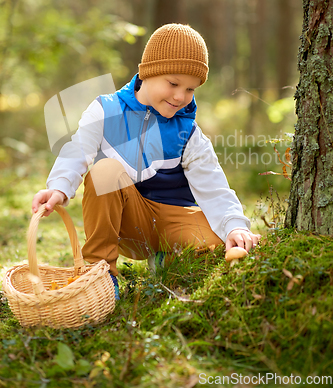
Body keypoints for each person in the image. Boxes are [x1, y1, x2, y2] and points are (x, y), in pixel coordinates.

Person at [32, 23, 261, 299]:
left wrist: (235, 225)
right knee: (105, 170)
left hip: (173, 220)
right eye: (173, 83)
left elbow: (214, 186)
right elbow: (77, 150)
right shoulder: (106, 110)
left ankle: (168, 259)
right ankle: (101, 273)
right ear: (147, 72)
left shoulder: (187, 132)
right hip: (129, 220)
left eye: (190, 89)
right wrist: (59, 187)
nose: (180, 97)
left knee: (225, 239)